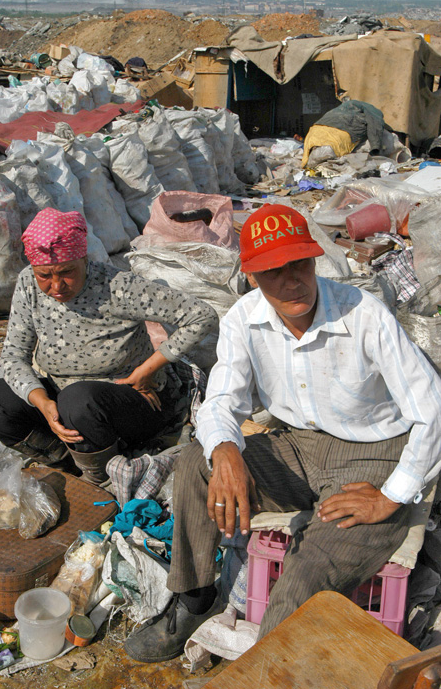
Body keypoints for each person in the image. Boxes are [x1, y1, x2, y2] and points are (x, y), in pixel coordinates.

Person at [124, 203, 441, 662]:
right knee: (198, 461)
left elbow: (433, 409)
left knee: (306, 573)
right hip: (300, 445)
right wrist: (228, 453)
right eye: (274, 271)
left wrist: (393, 495)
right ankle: (192, 600)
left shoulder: (364, 315)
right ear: (252, 276)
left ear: (315, 262)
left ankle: (266, 668)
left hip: (374, 455)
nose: (292, 280)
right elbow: (221, 402)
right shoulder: (243, 319)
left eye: (300, 264)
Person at [0, 208, 218, 484]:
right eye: (44, 275)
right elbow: (13, 355)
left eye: (67, 272)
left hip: (128, 402)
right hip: (63, 402)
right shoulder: (28, 284)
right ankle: (67, 464)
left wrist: (150, 368)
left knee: (78, 401)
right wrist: (40, 400)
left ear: (84, 259)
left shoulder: (117, 286)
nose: (56, 285)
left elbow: (202, 315)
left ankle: (100, 478)